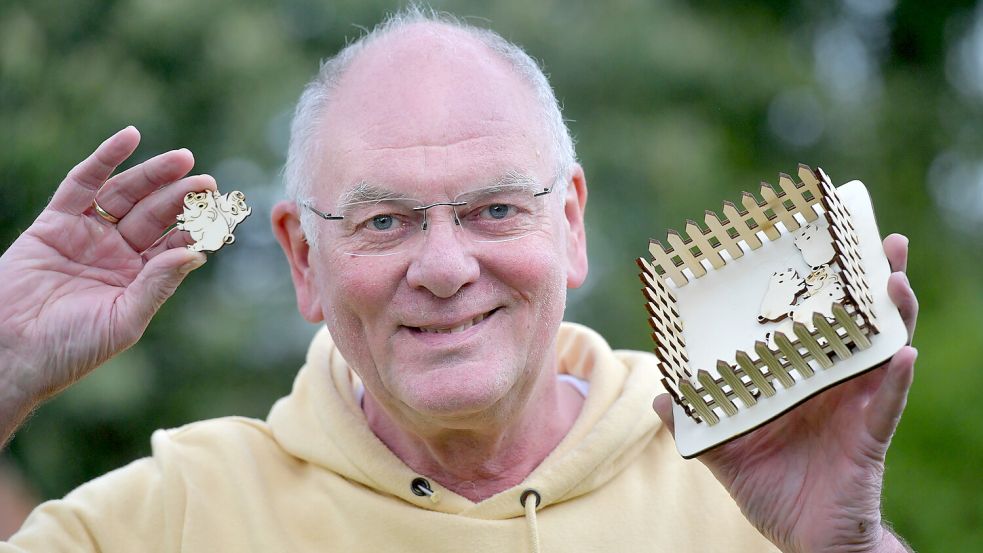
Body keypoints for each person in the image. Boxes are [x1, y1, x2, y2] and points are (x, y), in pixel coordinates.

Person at [0, 9, 918, 552]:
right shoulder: (176, 511)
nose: (443, 267)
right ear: (301, 260)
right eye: (384, 220)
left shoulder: (745, 472)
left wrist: (848, 551)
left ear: (569, 223)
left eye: (493, 209)